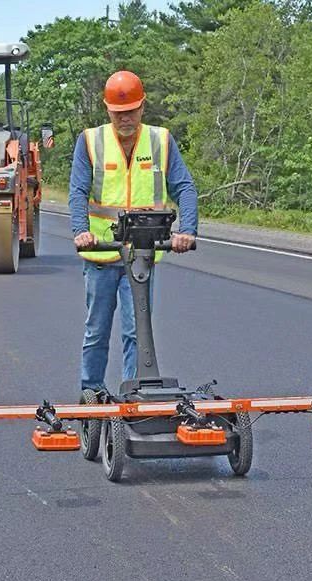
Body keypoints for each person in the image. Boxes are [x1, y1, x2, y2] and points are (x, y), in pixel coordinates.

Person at [69, 70, 198, 393]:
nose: (125, 118)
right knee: (96, 331)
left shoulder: (160, 140)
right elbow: (78, 191)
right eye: (118, 113)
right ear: (107, 110)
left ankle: (132, 395)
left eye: (131, 112)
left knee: (136, 332)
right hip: (101, 253)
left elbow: (184, 187)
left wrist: (188, 231)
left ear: (142, 108)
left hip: (141, 254)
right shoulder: (90, 141)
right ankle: (92, 393)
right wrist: (81, 231)